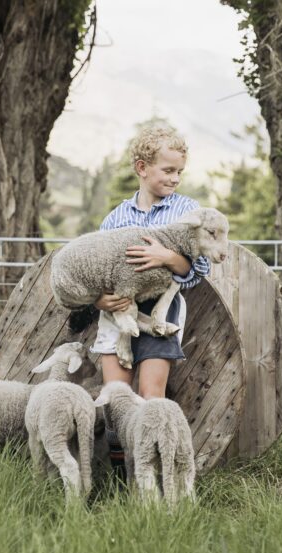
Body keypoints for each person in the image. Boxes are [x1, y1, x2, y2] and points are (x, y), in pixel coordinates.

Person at [89, 125, 210, 477]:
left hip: (162, 309)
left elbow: (198, 268)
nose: (175, 179)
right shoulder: (116, 218)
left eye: (179, 172)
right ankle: (120, 473)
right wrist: (100, 300)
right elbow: (97, 266)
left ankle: (155, 471)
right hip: (117, 312)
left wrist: (167, 257)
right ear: (142, 168)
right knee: (115, 396)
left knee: (151, 392)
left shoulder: (187, 211)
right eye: (168, 171)